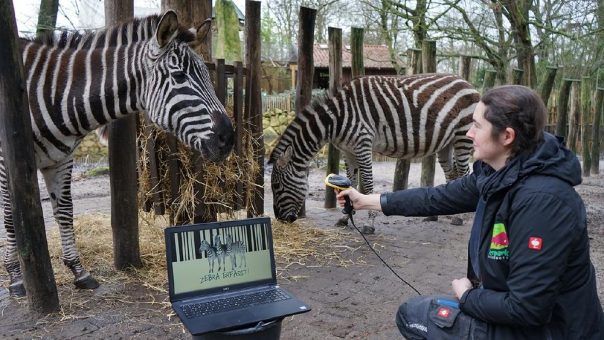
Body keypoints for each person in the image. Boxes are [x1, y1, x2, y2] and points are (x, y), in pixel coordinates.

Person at [336, 85, 604, 339]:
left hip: (551, 331)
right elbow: (436, 198)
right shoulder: (498, 172)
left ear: (507, 136)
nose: (468, 133)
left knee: (414, 315)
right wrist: (365, 201)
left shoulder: (543, 203)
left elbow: (527, 308)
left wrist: (468, 297)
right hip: (518, 315)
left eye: (477, 126)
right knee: (419, 313)